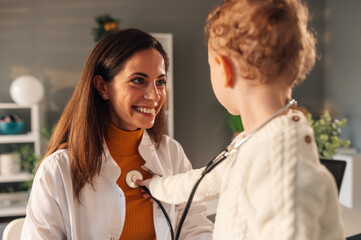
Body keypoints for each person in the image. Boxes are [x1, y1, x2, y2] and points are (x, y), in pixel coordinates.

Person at [137, 0, 345, 239]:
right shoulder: (254, 141)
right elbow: (205, 180)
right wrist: (156, 186)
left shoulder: (283, 167)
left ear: (224, 69)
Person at [21, 28, 213, 240]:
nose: (154, 95)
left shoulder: (171, 153)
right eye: (138, 80)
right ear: (102, 87)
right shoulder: (58, 170)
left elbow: (196, 230)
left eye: (160, 81)